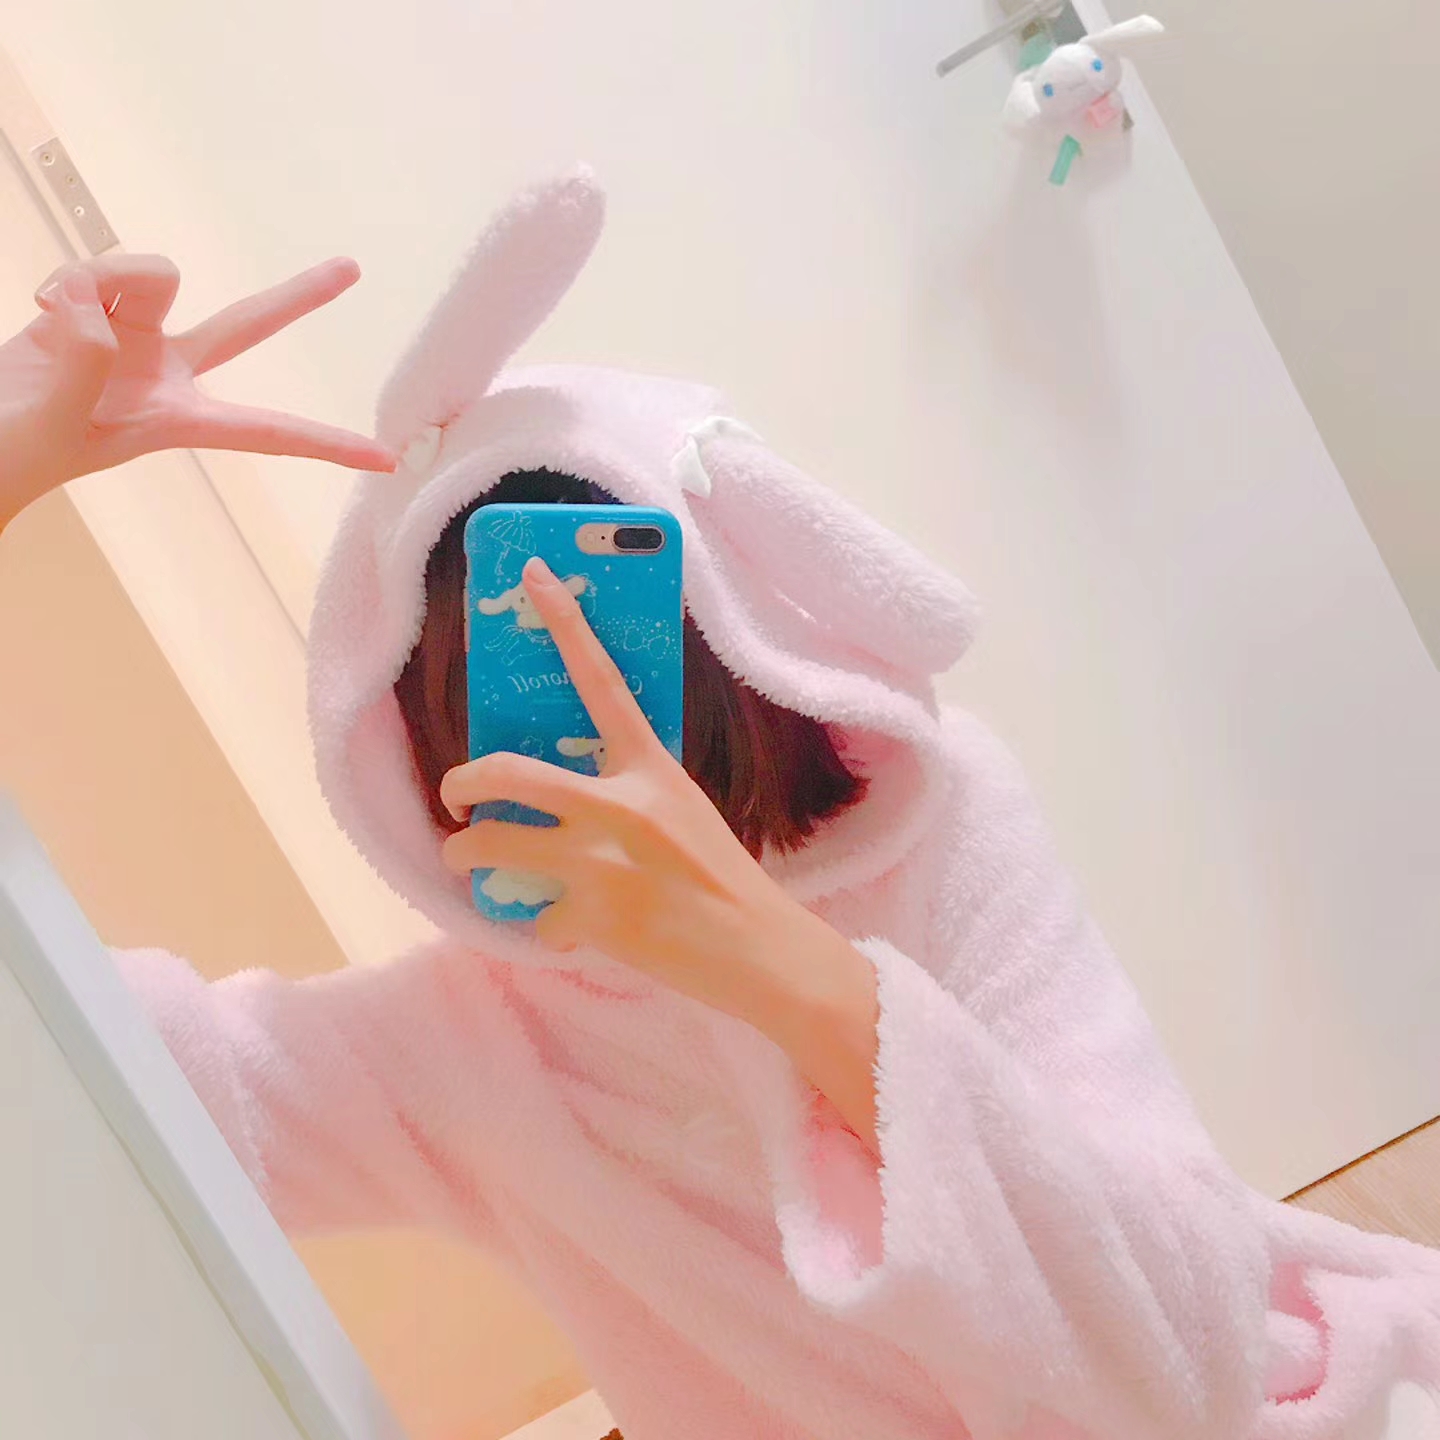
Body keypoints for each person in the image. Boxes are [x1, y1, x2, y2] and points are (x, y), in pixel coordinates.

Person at [5, 173, 1440, 1440]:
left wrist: (780, 968)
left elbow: (1187, 1374)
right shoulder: (465, 1045)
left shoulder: (946, 837)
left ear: (748, 645)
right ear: (410, 741)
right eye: (491, 678)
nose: (578, 728)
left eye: (631, 647)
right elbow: (70, 1066)